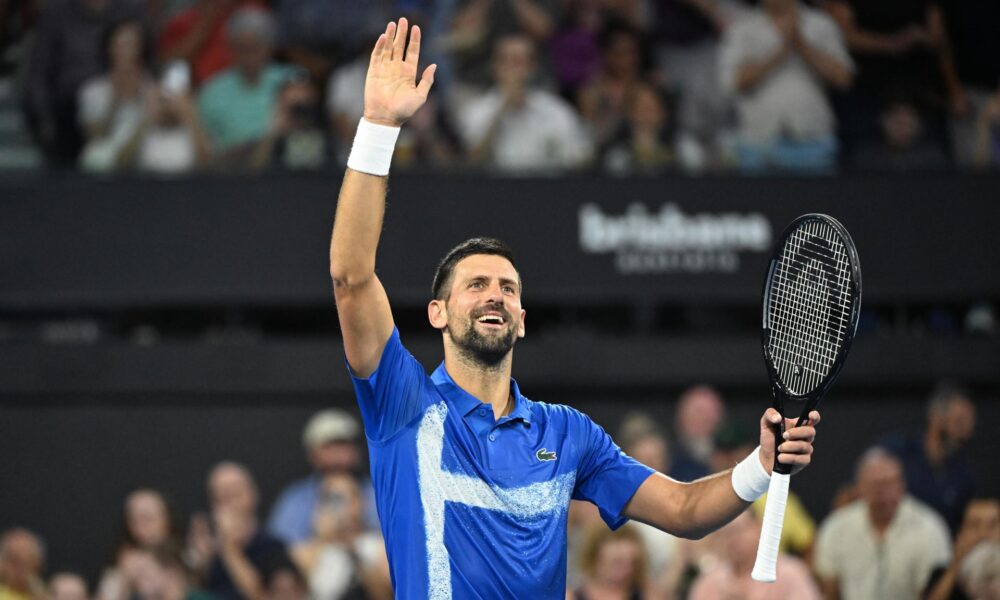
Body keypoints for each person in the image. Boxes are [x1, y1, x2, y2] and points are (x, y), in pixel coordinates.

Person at [328, 17, 820, 598]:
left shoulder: (567, 434)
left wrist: (761, 465)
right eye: (477, 284)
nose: (495, 295)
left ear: (522, 318)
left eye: (508, 289)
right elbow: (351, 276)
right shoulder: (404, 405)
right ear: (437, 312)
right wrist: (380, 126)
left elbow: (685, 509)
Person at [718, 0, 853, 172]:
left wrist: (802, 45)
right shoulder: (742, 27)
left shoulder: (821, 24)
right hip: (758, 144)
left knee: (817, 199)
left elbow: (843, 79)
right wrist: (779, 52)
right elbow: (734, 82)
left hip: (813, 143)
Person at [814, 447, 951, 600]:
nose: (884, 493)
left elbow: (934, 592)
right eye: (876, 486)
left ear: (901, 485)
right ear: (860, 487)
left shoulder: (929, 528)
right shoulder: (836, 528)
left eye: (889, 483)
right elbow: (829, 589)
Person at [455, 33, 592, 173]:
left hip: (546, 189)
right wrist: (502, 109)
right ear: (495, 67)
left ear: (532, 68)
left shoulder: (556, 111)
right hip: (495, 191)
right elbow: (472, 161)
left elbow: (578, 160)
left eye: (520, 62)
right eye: (507, 61)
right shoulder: (476, 110)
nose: (514, 70)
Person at [197, 7, 292, 166]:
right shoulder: (212, 91)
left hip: (285, 172)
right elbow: (205, 153)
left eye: (255, 48)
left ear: (269, 47)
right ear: (230, 50)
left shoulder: (292, 80)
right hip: (230, 177)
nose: (249, 57)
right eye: (242, 49)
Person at [188, 462, 294, 600]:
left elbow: (261, 596)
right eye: (220, 498)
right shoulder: (211, 553)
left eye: (233, 494)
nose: (228, 506)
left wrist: (230, 549)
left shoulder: (273, 547)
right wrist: (200, 566)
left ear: (252, 495)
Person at [268, 409, 374, 546]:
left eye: (347, 444)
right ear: (313, 453)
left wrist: (356, 524)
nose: (341, 454)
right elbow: (280, 548)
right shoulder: (296, 498)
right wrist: (323, 537)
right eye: (332, 446)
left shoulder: (377, 494)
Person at [881, 383, 977, 531]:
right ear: (936, 417)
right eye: (959, 422)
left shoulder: (964, 474)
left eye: (969, 425)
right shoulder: (896, 452)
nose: (966, 433)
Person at [288, 473, 390, 600]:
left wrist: (351, 551)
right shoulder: (308, 550)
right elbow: (296, 582)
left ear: (359, 503)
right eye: (328, 498)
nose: (336, 506)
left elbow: (383, 594)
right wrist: (322, 538)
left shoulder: (379, 547)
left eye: (341, 498)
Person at [688, 511, 821, 600]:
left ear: (759, 528)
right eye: (727, 534)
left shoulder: (790, 573)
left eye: (739, 530)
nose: (734, 539)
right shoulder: (709, 581)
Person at [77, 19, 154, 171]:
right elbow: (95, 136)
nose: (126, 51)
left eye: (131, 44)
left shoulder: (151, 88)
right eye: (121, 45)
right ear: (110, 48)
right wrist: (116, 98)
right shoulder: (92, 90)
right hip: (107, 162)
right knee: (95, 155)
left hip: (145, 159)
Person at [926, 498, 1000, 600]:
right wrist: (955, 567)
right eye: (974, 525)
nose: (983, 534)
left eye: (992, 525)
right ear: (960, 533)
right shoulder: (941, 575)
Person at [572, 523, 650, 600]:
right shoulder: (571, 596)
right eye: (618, 562)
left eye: (632, 563)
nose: (626, 570)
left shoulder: (647, 594)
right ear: (596, 557)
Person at [670, 385, 725, 481]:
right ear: (682, 418)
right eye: (699, 412)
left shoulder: (737, 458)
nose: (705, 419)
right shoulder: (667, 459)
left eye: (711, 413)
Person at [0, 529, 45, 600]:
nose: (20, 569)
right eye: (14, 560)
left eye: (26, 562)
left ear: (37, 563)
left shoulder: (50, 593)